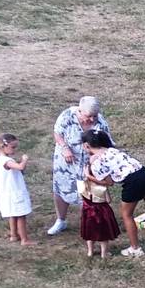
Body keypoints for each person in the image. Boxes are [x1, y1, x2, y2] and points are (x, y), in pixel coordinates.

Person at [48, 96, 111, 235]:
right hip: (67, 161)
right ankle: (61, 220)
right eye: (88, 116)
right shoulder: (67, 116)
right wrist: (65, 148)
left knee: (88, 192)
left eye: (94, 116)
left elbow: (107, 143)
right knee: (61, 188)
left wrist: (97, 157)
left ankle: (91, 222)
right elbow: (57, 133)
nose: (92, 120)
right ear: (80, 111)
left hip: (87, 164)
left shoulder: (100, 122)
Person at [0, 134, 35, 246]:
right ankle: (24, 239)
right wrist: (24, 160)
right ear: (4, 146)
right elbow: (20, 167)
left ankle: (14, 235)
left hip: (7, 193)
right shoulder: (6, 161)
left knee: (12, 214)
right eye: (13, 147)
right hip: (14, 193)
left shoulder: (0, 159)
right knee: (21, 215)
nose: (15, 150)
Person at [79, 161, 120, 258]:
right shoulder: (102, 187)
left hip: (87, 212)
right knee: (103, 234)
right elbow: (108, 200)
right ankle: (104, 253)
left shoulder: (83, 185)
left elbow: (81, 198)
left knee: (89, 233)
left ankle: (90, 252)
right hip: (102, 213)